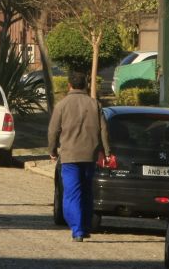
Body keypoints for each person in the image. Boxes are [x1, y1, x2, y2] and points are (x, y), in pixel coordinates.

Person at [47, 70, 111, 242]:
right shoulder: (94, 104)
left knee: (71, 194)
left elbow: (53, 131)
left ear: (69, 85)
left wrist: (52, 150)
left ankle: (77, 230)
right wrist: (106, 152)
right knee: (87, 192)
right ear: (86, 85)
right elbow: (104, 129)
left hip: (69, 156)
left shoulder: (62, 105)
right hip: (90, 155)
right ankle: (85, 225)